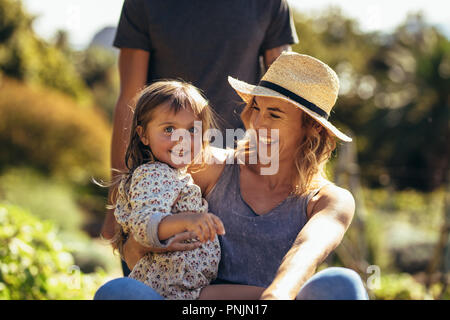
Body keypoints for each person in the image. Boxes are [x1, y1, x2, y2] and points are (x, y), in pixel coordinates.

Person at [94, 52, 369, 300]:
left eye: (274, 114)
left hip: (278, 296)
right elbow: (131, 250)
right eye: (256, 108)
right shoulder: (208, 165)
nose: (257, 123)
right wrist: (152, 241)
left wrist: (277, 295)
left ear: (311, 130)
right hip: (199, 303)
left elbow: (306, 251)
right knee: (117, 292)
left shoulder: (330, 200)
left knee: (339, 283)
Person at [100, 1, 299, 273]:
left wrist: (285, 180)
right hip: (163, 181)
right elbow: (130, 101)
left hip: (239, 176)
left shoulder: (268, 3)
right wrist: (116, 200)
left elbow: (285, 96)